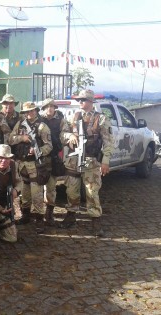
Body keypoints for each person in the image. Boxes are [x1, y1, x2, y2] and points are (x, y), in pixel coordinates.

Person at [60, 89, 114, 237]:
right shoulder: (73, 117)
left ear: (91, 102)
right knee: (71, 189)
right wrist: (69, 135)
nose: (80, 102)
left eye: (83, 100)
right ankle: (71, 214)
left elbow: (108, 141)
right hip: (74, 160)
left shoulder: (101, 119)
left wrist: (105, 161)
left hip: (91, 160)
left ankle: (96, 220)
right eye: (79, 100)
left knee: (91, 191)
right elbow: (62, 134)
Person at [8, 101, 52, 233]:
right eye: (27, 111)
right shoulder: (20, 124)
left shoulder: (42, 127)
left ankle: (39, 220)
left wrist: (37, 151)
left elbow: (49, 146)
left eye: (32, 111)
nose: (29, 113)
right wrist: (22, 138)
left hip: (35, 164)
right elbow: (11, 139)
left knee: (37, 193)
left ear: (36, 111)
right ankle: (25, 215)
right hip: (22, 164)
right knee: (25, 192)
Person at [40, 98, 70, 226]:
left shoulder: (61, 121)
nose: (50, 109)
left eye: (52, 106)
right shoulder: (39, 120)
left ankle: (49, 212)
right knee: (36, 186)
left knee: (51, 186)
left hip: (53, 158)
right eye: (47, 107)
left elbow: (65, 135)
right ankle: (35, 213)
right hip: (39, 156)